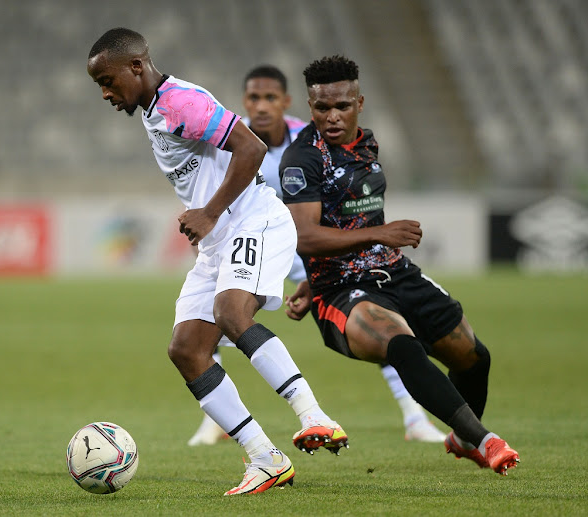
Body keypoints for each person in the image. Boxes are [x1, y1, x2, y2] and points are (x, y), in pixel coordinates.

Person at [87, 29, 347, 495]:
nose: (106, 92)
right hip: (218, 241)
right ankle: (265, 459)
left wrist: (209, 212)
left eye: (108, 80)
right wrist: (207, 218)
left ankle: (315, 416)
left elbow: (251, 148)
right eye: (99, 85)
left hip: (254, 222)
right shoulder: (152, 110)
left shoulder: (179, 102)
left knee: (231, 314)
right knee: (186, 349)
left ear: (136, 67)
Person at [279, 55, 520, 476]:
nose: (332, 117)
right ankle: (485, 440)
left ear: (360, 103)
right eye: (321, 108)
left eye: (342, 106)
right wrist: (373, 238)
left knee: (473, 357)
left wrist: (379, 240)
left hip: (394, 271)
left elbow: (354, 217)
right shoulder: (303, 159)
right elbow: (304, 236)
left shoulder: (367, 143)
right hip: (341, 289)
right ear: (310, 106)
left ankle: (463, 439)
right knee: (401, 346)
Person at [188, 65, 445, 447]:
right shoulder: (231, 137)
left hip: (306, 243)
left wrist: (315, 272)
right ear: (244, 102)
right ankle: (217, 420)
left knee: (377, 321)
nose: (261, 106)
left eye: (270, 98)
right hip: (256, 242)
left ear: (287, 103)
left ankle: (414, 416)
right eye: (254, 98)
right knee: (210, 315)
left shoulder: (305, 141)